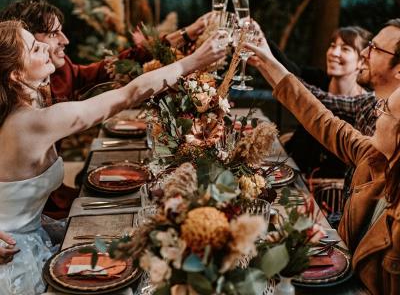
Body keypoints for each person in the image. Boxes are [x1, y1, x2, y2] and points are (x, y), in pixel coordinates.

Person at [0, 20, 225, 294]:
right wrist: (192, 61)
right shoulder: (31, 123)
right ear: (15, 75)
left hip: (31, 234)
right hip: (15, 257)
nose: (47, 47)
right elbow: (127, 96)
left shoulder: (23, 107)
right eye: (36, 48)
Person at [246, 30, 400, 295]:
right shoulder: (374, 157)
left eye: (384, 109)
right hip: (338, 272)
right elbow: (323, 121)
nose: (376, 110)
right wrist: (268, 64)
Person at [0, 0, 207, 103]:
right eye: (53, 34)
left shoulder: (63, 71)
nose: (66, 41)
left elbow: (116, 64)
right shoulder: (12, 105)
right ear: (23, 40)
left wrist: (185, 34)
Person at [282, 27, 373, 178]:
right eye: (332, 46)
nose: (334, 53)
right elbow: (285, 70)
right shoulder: (318, 80)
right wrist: (262, 41)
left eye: (345, 48)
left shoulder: (365, 106)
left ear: (362, 61)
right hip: (292, 171)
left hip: (329, 193)